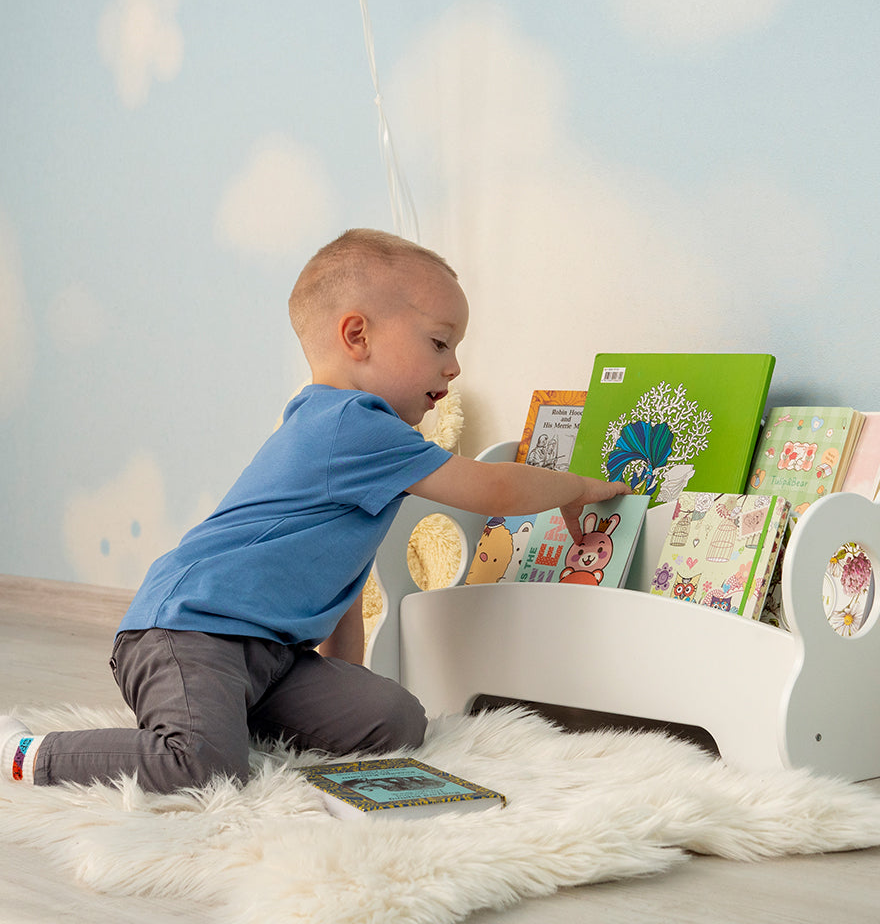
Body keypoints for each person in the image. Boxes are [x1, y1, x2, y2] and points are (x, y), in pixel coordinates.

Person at [1, 228, 628, 794]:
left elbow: (339, 579)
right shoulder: (354, 425)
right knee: (202, 769)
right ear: (357, 336)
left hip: (273, 657)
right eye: (440, 343)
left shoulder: (350, 439)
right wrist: (574, 488)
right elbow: (492, 491)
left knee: (396, 719)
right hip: (186, 633)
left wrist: (345, 680)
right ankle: (29, 752)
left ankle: (228, 716)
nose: (454, 366)